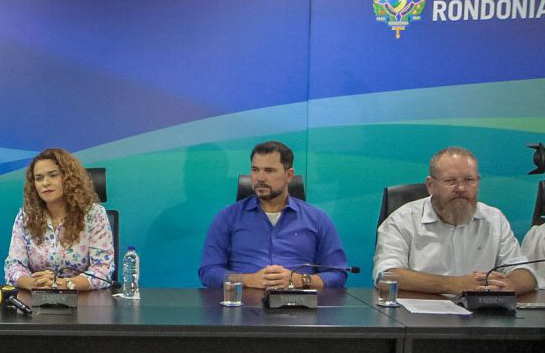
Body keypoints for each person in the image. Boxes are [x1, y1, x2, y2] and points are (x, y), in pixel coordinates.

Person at [374, 147, 536, 294]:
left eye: (469, 180)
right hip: (420, 318)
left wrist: (510, 285)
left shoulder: (494, 219)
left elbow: (524, 272)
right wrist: (454, 285)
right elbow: (387, 275)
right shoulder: (402, 220)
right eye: (450, 181)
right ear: (430, 185)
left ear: (478, 182)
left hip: (482, 316)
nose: (461, 188)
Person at [199, 141, 348, 289]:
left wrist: (300, 280)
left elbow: (338, 273)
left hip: (299, 306)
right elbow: (209, 272)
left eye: (269, 170)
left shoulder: (317, 219)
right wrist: (247, 280)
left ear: (289, 175)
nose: (260, 178)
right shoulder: (227, 217)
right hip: (244, 306)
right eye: (255, 170)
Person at [4, 148, 114, 290]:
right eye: (39, 178)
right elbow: (13, 265)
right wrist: (34, 284)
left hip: (83, 301)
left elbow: (103, 270)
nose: (45, 183)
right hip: (37, 298)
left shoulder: (94, 214)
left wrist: (65, 284)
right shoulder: (25, 216)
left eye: (53, 175)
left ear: (68, 178)